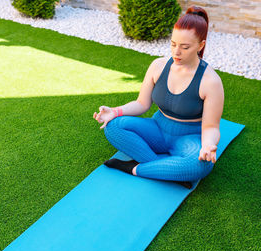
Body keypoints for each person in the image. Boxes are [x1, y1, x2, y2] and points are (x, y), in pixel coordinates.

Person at [93, 6, 224, 189]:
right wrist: (114, 112)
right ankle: (167, 171)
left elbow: (211, 126)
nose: (176, 52)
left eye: (185, 47)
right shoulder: (158, 66)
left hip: (188, 138)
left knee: (201, 164)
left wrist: (208, 145)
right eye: (173, 44)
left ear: (200, 45)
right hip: (157, 130)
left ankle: (133, 168)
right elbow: (142, 103)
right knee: (112, 126)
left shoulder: (211, 81)